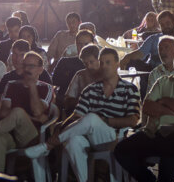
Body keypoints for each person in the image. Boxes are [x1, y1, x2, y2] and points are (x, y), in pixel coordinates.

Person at [24, 48, 140, 182]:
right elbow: (76, 116)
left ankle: (48, 146)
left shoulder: (129, 89)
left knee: (91, 118)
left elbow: (133, 120)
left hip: (113, 137)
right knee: (73, 141)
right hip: (89, 136)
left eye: (108, 63)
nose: (104, 66)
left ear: (117, 64)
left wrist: (104, 120)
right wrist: (62, 126)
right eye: (102, 63)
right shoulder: (90, 89)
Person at [113, 42, 174, 182]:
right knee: (121, 151)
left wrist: (163, 101)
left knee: (172, 143)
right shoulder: (162, 81)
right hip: (154, 133)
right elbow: (147, 107)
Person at [0, 51, 53, 172]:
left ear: (40, 70)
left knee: (17, 112)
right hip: (10, 134)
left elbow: (37, 112)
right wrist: (28, 116)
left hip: (32, 137)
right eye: (25, 65)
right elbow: (3, 113)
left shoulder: (46, 88)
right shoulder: (11, 85)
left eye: (31, 66)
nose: (27, 69)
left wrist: (32, 86)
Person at [0, 40, 53, 110]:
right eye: (14, 54)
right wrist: (3, 105)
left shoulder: (39, 73)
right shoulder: (8, 77)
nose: (17, 59)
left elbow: (49, 102)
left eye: (21, 55)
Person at [52, 29, 96, 101]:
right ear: (75, 44)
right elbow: (54, 82)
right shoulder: (64, 62)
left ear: (93, 44)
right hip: (67, 101)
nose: (83, 47)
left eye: (86, 44)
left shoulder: (99, 64)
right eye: (79, 44)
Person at [64, 44, 101, 112]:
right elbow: (68, 100)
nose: (89, 66)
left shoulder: (107, 75)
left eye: (91, 62)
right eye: (85, 63)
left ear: (99, 60)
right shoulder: (80, 75)